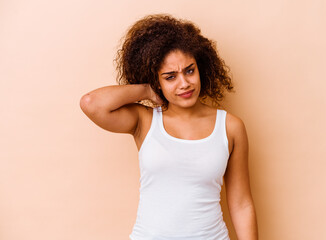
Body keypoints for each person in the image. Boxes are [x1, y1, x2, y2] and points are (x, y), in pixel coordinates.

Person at [80, 14, 258, 240]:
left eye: (189, 70)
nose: (184, 83)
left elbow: (242, 204)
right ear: (157, 81)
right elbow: (91, 104)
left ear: (201, 67)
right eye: (170, 77)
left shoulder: (230, 127)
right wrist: (147, 91)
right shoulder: (144, 122)